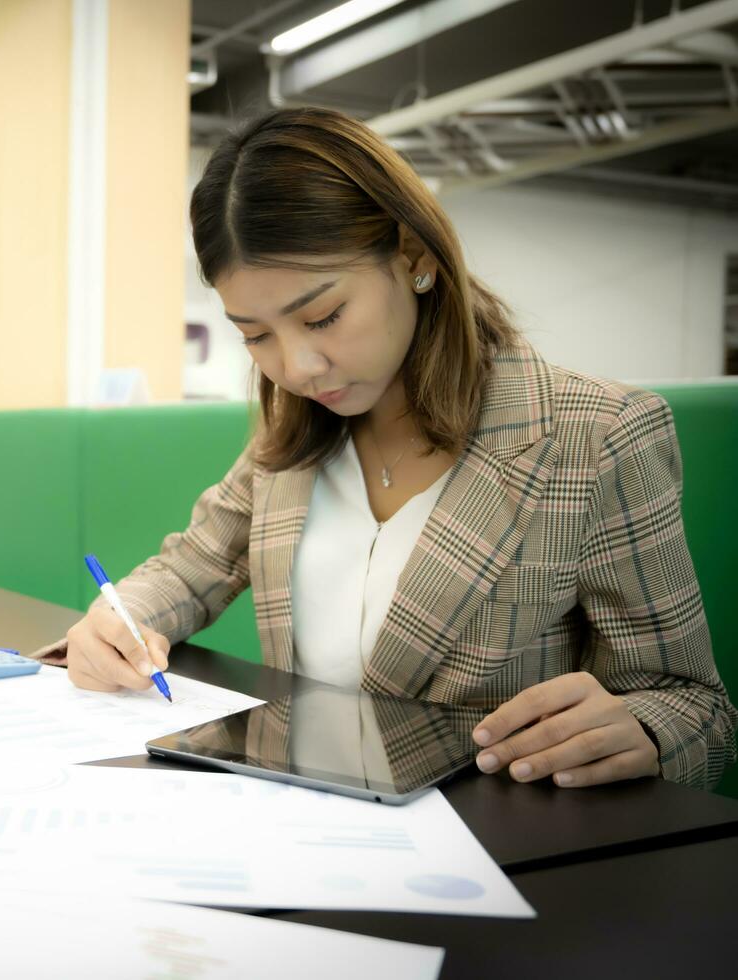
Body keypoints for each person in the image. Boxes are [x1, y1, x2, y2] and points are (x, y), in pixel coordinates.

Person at [48, 107, 736, 790]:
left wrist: (643, 731)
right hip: (306, 823)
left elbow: (694, 707)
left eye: (323, 317)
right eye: (255, 335)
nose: (296, 368)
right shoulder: (291, 439)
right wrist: (120, 620)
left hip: (501, 847)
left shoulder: (597, 437)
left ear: (414, 258)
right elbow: (187, 569)